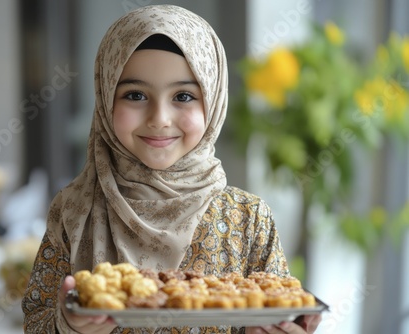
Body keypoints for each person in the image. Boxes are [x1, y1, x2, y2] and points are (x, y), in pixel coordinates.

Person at [22, 5, 322, 334]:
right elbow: (36, 319)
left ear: (214, 99)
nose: (160, 118)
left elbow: (279, 307)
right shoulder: (74, 211)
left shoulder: (248, 219)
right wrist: (69, 327)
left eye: (183, 95)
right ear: (105, 98)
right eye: (135, 95)